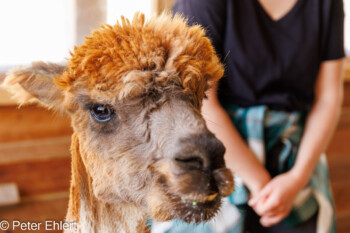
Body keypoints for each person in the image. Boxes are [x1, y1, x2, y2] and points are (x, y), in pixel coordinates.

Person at [154, 0, 345, 232]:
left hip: (297, 156)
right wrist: (262, 186)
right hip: (218, 151)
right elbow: (201, 102)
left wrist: (297, 179)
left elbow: (328, 97)